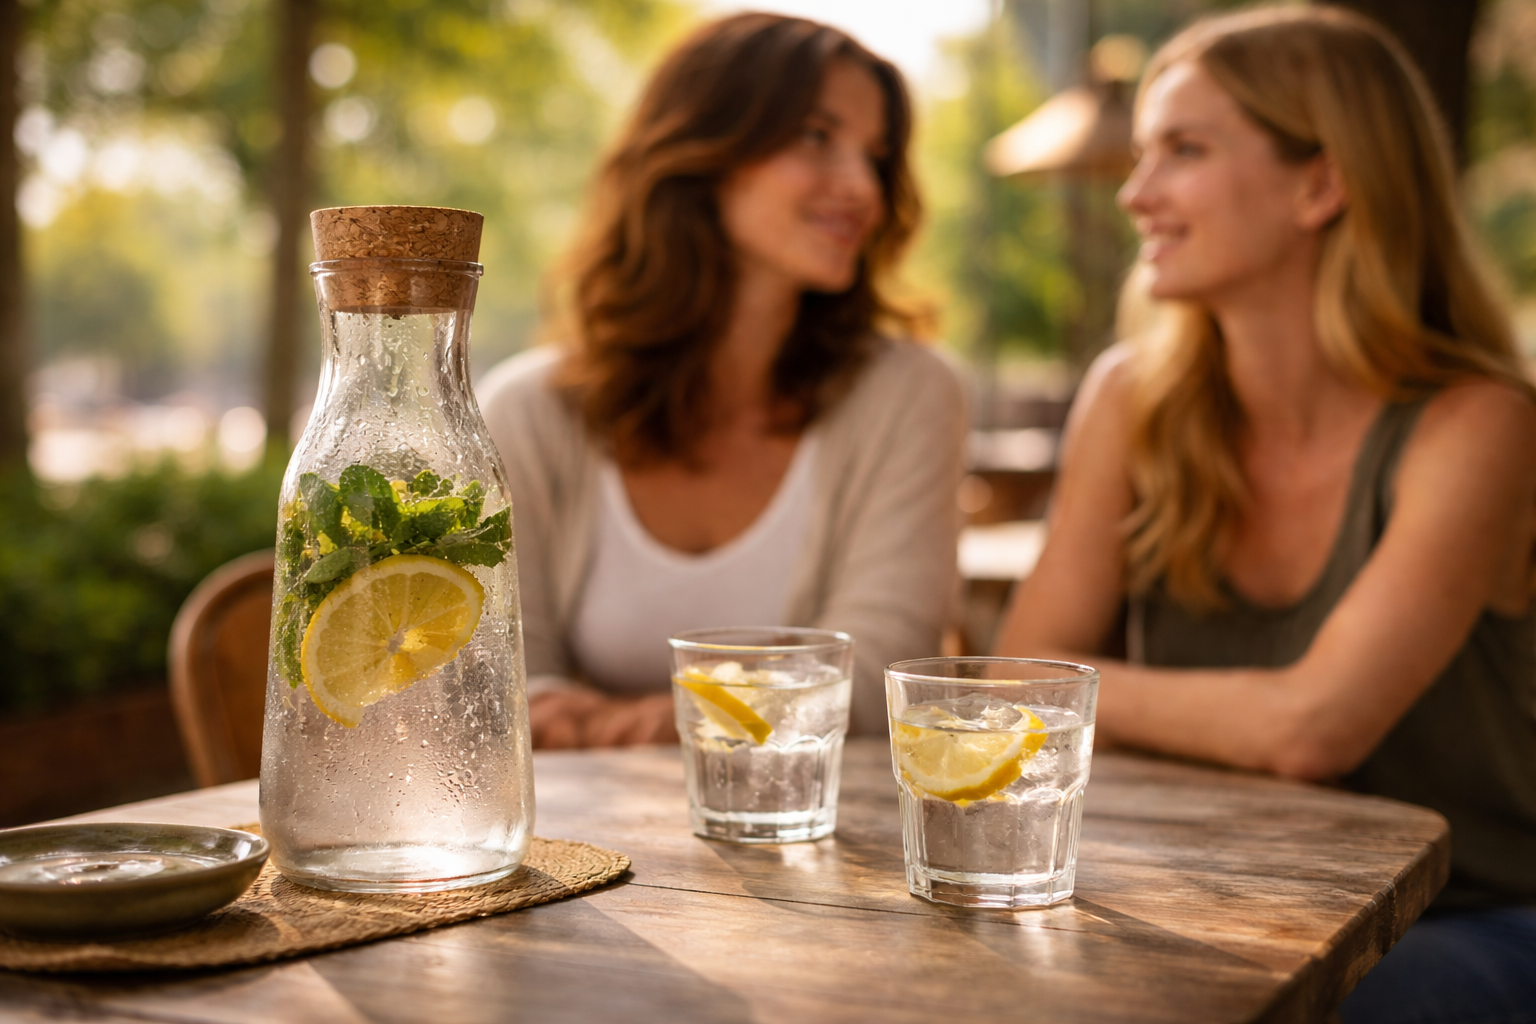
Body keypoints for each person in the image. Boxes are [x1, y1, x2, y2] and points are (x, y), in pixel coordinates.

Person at [993, 7, 1536, 1021]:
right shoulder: (1131, 401)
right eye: (1144, 152)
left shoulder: (1480, 425)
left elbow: (1310, 728)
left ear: (1322, 184)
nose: (1135, 192)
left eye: (1184, 151)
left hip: (1466, 918)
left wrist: (1074, 696)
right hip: (1218, 898)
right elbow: (1016, 688)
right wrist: (1053, 695)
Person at [479, 14, 966, 751]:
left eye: (876, 156)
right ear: (703, 150)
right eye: (815, 136)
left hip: (814, 851)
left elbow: (876, 687)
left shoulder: (911, 395)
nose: (862, 186)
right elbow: (493, 687)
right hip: (571, 852)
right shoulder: (528, 411)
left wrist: (638, 723)